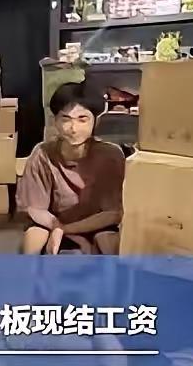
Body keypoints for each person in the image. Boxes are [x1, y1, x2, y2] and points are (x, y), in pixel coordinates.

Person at [17, 82, 125, 255]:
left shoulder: (111, 155)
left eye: (82, 119)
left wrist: (65, 230)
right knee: (34, 234)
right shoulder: (42, 153)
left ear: (96, 122)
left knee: (110, 240)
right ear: (55, 121)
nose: (73, 128)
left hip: (97, 225)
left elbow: (113, 213)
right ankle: (27, 271)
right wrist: (56, 227)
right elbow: (35, 208)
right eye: (66, 119)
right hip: (51, 224)